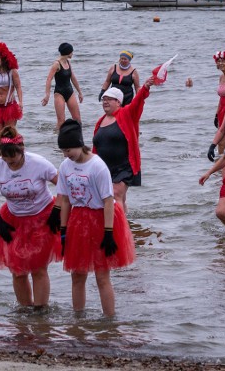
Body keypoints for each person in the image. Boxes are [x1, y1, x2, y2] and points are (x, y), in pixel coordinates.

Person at [56, 119, 135, 317]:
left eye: (69, 150)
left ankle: (109, 320)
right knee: (77, 274)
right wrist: (63, 230)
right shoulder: (66, 166)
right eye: (63, 151)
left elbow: (109, 201)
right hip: (78, 220)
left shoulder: (97, 166)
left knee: (102, 275)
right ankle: (78, 319)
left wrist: (108, 233)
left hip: (101, 218)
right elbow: (65, 200)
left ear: (79, 144)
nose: (66, 155)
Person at [0, 126, 61, 308]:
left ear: (22, 151)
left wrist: (57, 211)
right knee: (18, 271)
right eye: (7, 161)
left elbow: (63, 187)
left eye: (14, 160)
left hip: (42, 217)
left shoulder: (39, 163)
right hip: (12, 220)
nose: (11, 164)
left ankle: (40, 312)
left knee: (38, 269)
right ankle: (25, 311)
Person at [92, 78, 154, 214]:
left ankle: (117, 230)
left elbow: (137, 103)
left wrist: (145, 88)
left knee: (115, 195)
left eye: (109, 99)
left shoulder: (126, 114)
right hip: (105, 168)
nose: (105, 102)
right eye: (104, 99)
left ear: (118, 102)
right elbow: (95, 147)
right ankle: (126, 225)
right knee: (117, 198)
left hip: (124, 166)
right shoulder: (100, 121)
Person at [41, 42, 84, 131]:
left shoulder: (68, 62)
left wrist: (80, 92)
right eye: (72, 52)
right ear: (68, 52)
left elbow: (73, 77)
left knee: (77, 119)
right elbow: (49, 79)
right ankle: (58, 139)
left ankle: (77, 138)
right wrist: (47, 95)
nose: (72, 53)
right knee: (61, 121)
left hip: (70, 91)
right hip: (59, 93)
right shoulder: (56, 64)